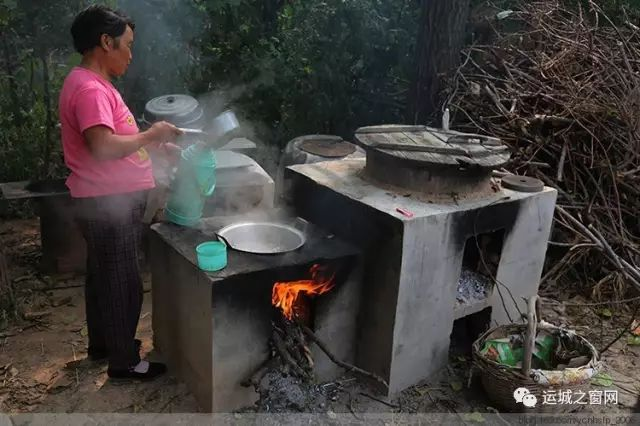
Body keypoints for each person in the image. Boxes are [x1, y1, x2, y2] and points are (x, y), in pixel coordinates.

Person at [59, 5, 181, 380]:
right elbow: (103, 146)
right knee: (122, 281)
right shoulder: (90, 88)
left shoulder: (91, 85)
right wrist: (152, 135)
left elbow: (117, 139)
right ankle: (124, 362)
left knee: (103, 276)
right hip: (106, 203)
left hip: (103, 200)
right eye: (127, 45)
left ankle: (103, 345)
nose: (131, 54)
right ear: (105, 42)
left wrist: (154, 147)